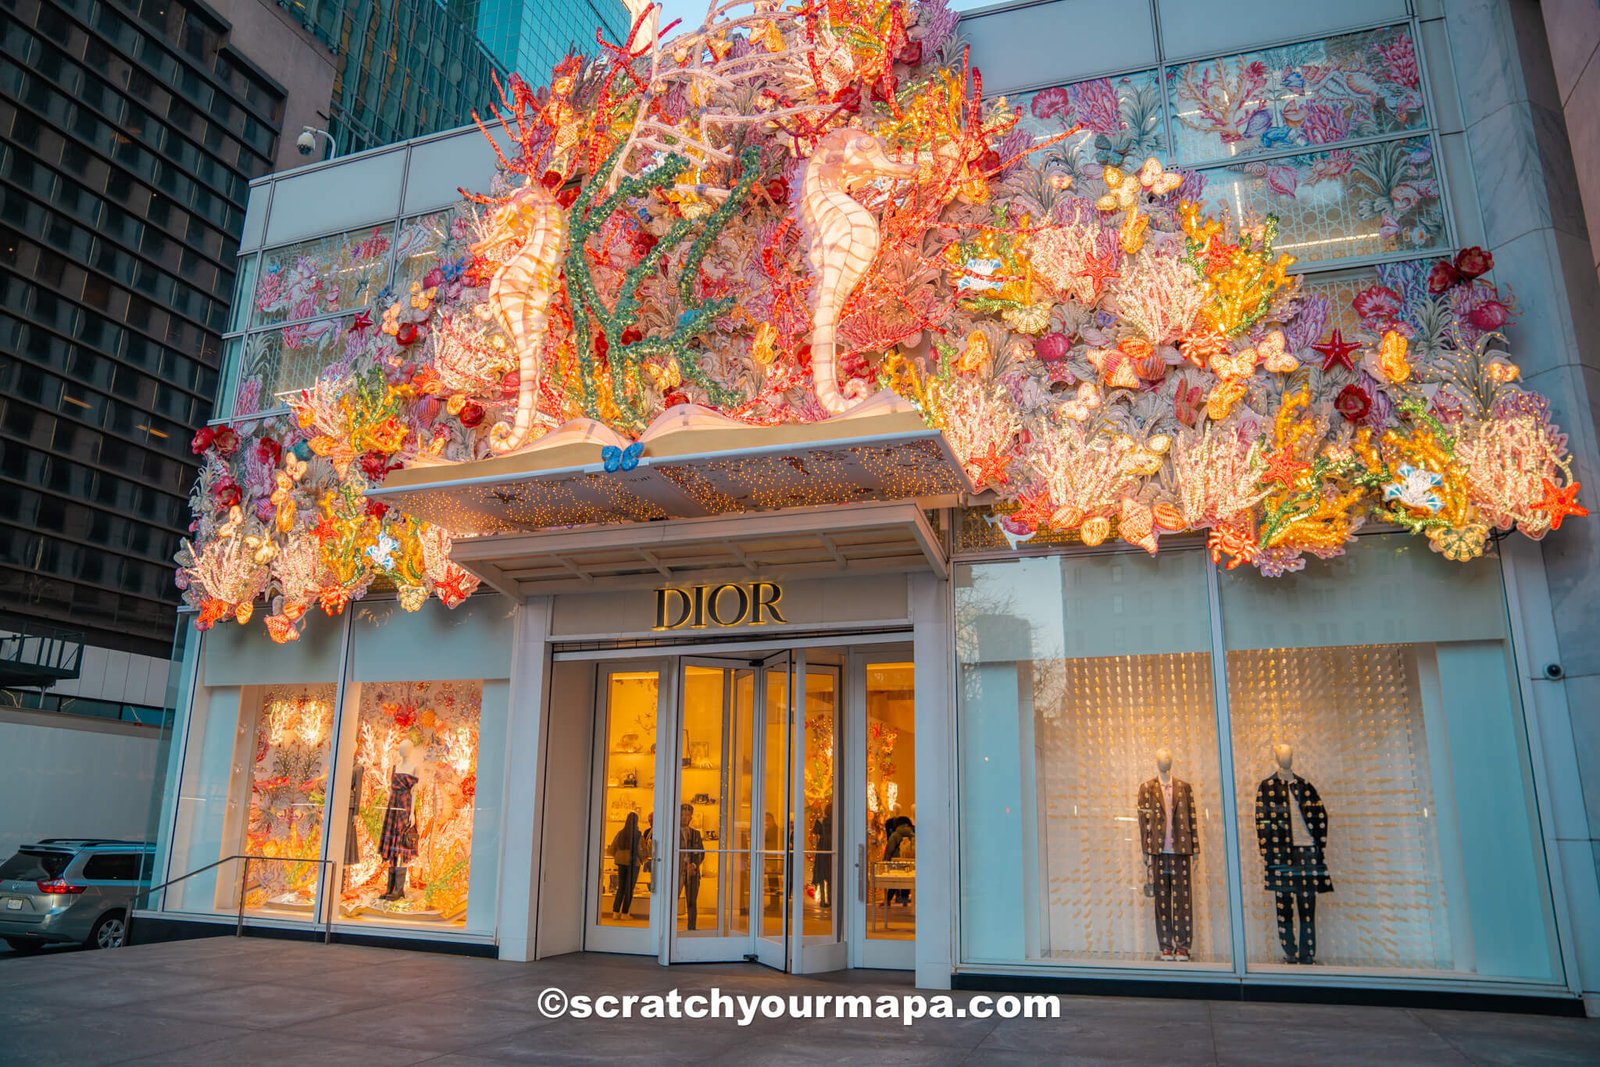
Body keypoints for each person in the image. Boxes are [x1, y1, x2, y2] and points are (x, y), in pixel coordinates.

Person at [610, 811, 642, 919]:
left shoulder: (621, 833)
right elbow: (641, 850)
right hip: (633, 863)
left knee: (621, 887)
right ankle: (625, 913)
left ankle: (615, 912)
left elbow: (612, 848)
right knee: (629, 888)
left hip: (620, 862)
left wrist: (617, 855)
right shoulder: (638, 834)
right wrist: (644, 859)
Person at [678, 802, 705, 930]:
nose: (684, 817)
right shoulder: (672, 832)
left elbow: (701, 852)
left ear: (691, 817)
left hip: (692, 873)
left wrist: (693, 865)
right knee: (673, 899)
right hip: (676, 872)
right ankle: (669, 928)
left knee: (692, 901)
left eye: (687, 815)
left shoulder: (696, 834)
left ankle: (691, 927)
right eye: (682, 814)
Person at [884, 816, 915, 905]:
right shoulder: (913, 833)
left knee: (895, 881)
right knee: (907, 880)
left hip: (896, 861)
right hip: (910, 861)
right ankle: (905, 900)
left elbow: (889, 850)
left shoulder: (895, 835)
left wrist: (886, 861)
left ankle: (888, 900)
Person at [811, 807, 833, 906]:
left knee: (821, 874)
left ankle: (823, 901)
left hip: (822, 848)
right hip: (832, 848)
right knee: (830, 877)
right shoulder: (837, 820)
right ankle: (831, 900)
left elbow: (815, 833)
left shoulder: (820, 820)